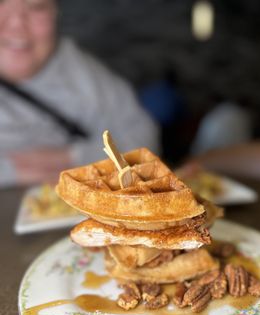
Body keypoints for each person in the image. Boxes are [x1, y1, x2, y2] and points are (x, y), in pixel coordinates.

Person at [0, 0, 159, 187]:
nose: (17, 23)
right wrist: (16, 171)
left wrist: (70, 157)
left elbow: (144, 140)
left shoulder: (79, 71)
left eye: (37, 7)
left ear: (56, 13)